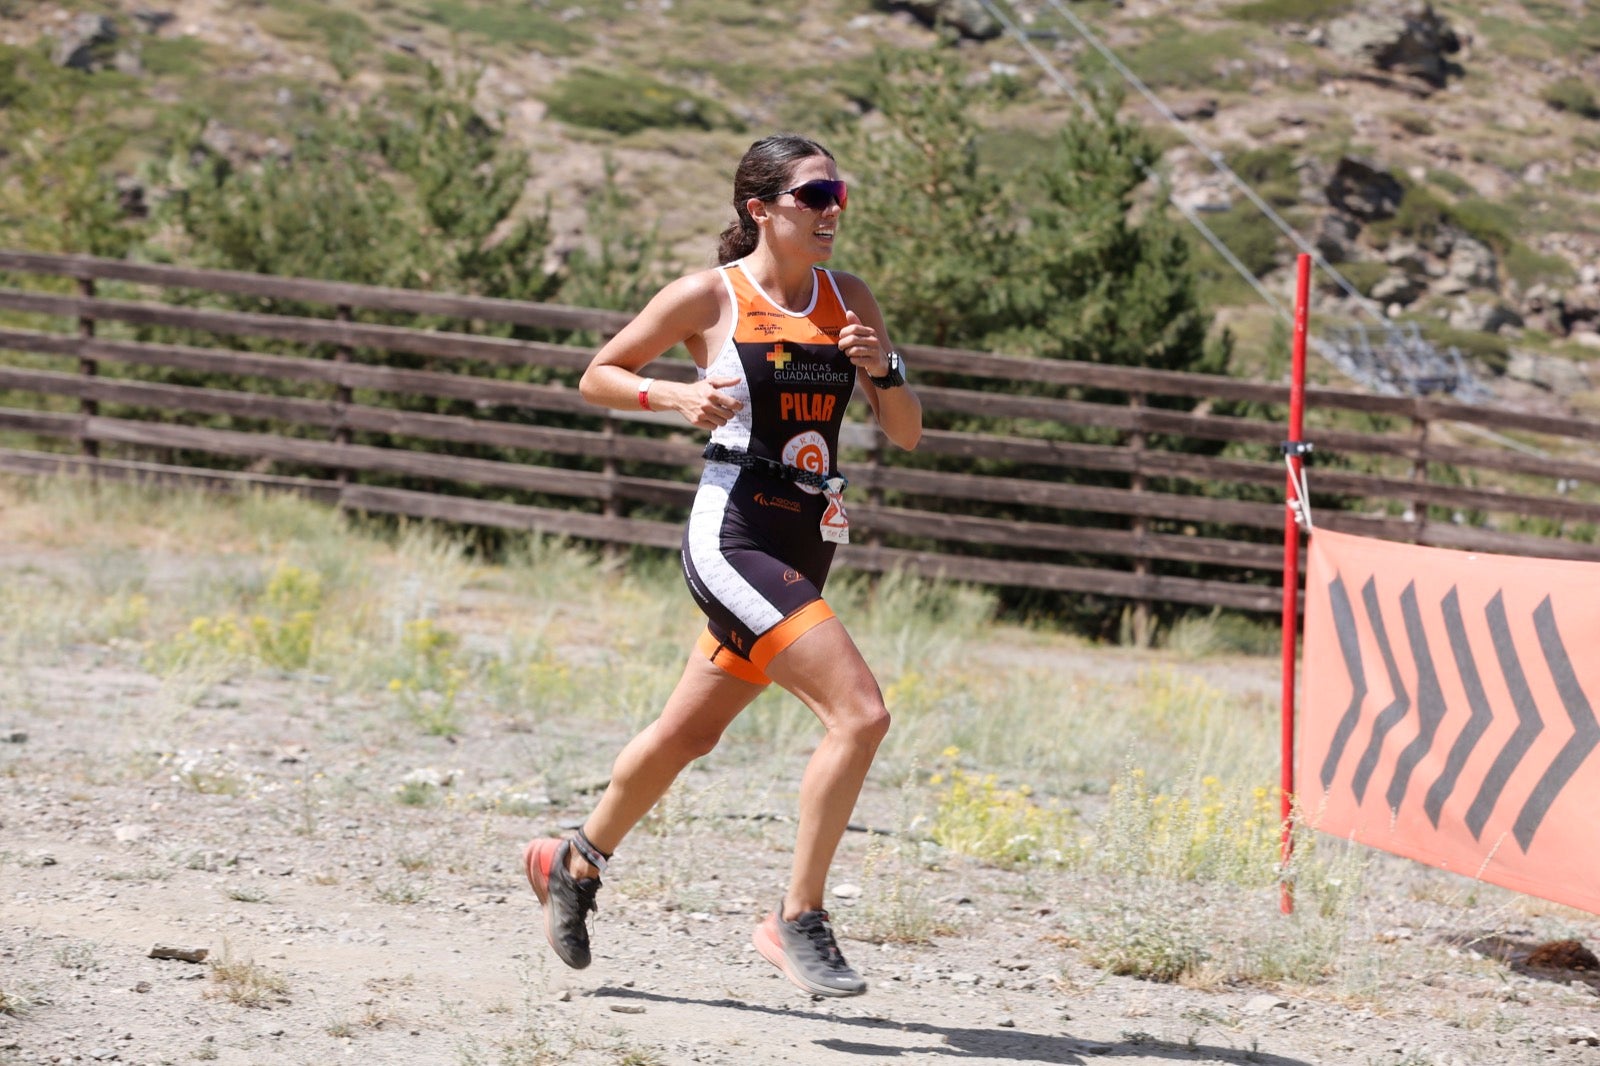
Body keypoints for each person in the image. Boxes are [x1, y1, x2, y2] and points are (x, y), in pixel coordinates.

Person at [520, 133, 923, 998]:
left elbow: (907, 429)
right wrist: (673, 394)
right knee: (860, 716)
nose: (833, 211)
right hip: (734, 530)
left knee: (689, 733)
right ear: (761, 210)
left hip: (807, 538)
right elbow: (598, 375)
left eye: (838, 193)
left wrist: (882, 367)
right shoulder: (711, 295)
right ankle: (798, 918)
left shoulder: (847, 298)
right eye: (815, 196)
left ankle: (573, 861)